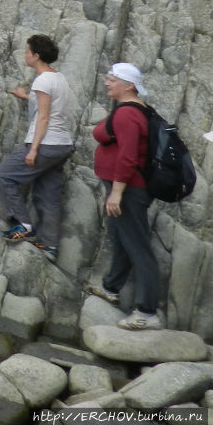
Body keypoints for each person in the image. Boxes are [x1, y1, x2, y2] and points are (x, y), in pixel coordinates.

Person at [86, 62, 163, 330]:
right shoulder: (132, 110)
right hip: (127, 189)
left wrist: (117, 193)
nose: (106, 83)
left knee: (139, 247)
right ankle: (111, 288)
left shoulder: (127, 115)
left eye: (112, 79)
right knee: (121, 239)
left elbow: (128, 156)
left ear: (128, 85)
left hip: (129, 190)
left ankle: (148, 312)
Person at [0, 34, 75, 262]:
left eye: (27, 51)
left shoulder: (41, 81)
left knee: (4, 175)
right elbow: (47, 105)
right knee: (47, 194)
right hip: (63, 145)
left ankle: (23, 224)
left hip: (45, 143)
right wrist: (25, 96)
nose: (24, 54)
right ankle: (49, 246)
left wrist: (33, 149)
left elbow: (44, 117)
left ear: (36, 56)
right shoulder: (58, 78)